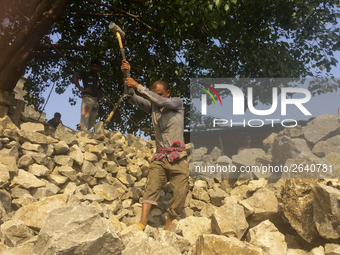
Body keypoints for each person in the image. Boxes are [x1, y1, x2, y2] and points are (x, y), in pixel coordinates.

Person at [121, 60, 189, 230]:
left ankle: (167, 226)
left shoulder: (177, 103)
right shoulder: (153, 107)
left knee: (180, 192)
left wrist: (139, 86)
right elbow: (131, 98)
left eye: (159, 94)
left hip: (178, 158)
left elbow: (160, 101)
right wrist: (126, 75)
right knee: (151, 187)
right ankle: (142, 222)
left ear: (168, 93)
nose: (156, 97)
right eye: (153, 94)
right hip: (160, 157)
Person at [71, 59, 103, 130]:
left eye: (97, 67)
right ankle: (83, 132)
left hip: (95, 102)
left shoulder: (97, 79)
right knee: (85, 117)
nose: (95, 68)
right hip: (87, 99)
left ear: (99, 69)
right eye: (94, 66)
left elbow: (101, 92)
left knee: (92, 121)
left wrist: (98, 98)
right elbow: (75, 78)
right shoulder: (86, 74)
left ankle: (87, 134)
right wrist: (82, 89)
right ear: (91, 66)